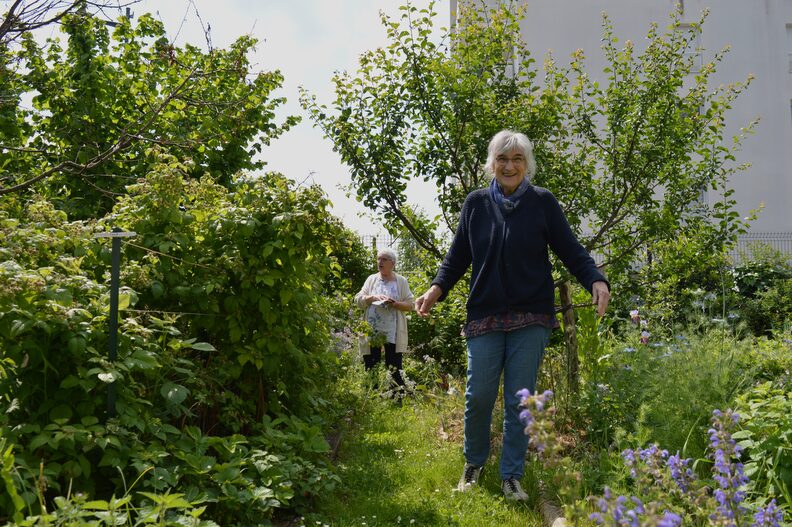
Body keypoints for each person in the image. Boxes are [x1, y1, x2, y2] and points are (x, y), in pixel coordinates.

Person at [414, 129, 610, 501]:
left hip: (531, 316)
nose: (509, 166)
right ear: (492, 163)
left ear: (527, 165)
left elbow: (571, 249)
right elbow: (457, 257)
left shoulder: (543, 203)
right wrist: (436, 289)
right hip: (485, 314)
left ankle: (512, 476)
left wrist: (595, 280)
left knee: (522, 400)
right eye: (502, 159)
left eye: (517, 159)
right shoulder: (475, 204)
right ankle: (474, 464)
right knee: (479, 395)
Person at [354, 248, 415, 397]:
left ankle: (397, 398)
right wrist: (372, 298)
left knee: (394, 366)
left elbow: (411, 305)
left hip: (392, 330)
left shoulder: (400, 281)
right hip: (372, 329)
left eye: (384, 259)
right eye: (378, 259)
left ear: (392, 263)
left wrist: (394, 303)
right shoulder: (371, 279)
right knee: (371, 365)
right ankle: (371, 398)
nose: (379, 262)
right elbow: (358, 300)